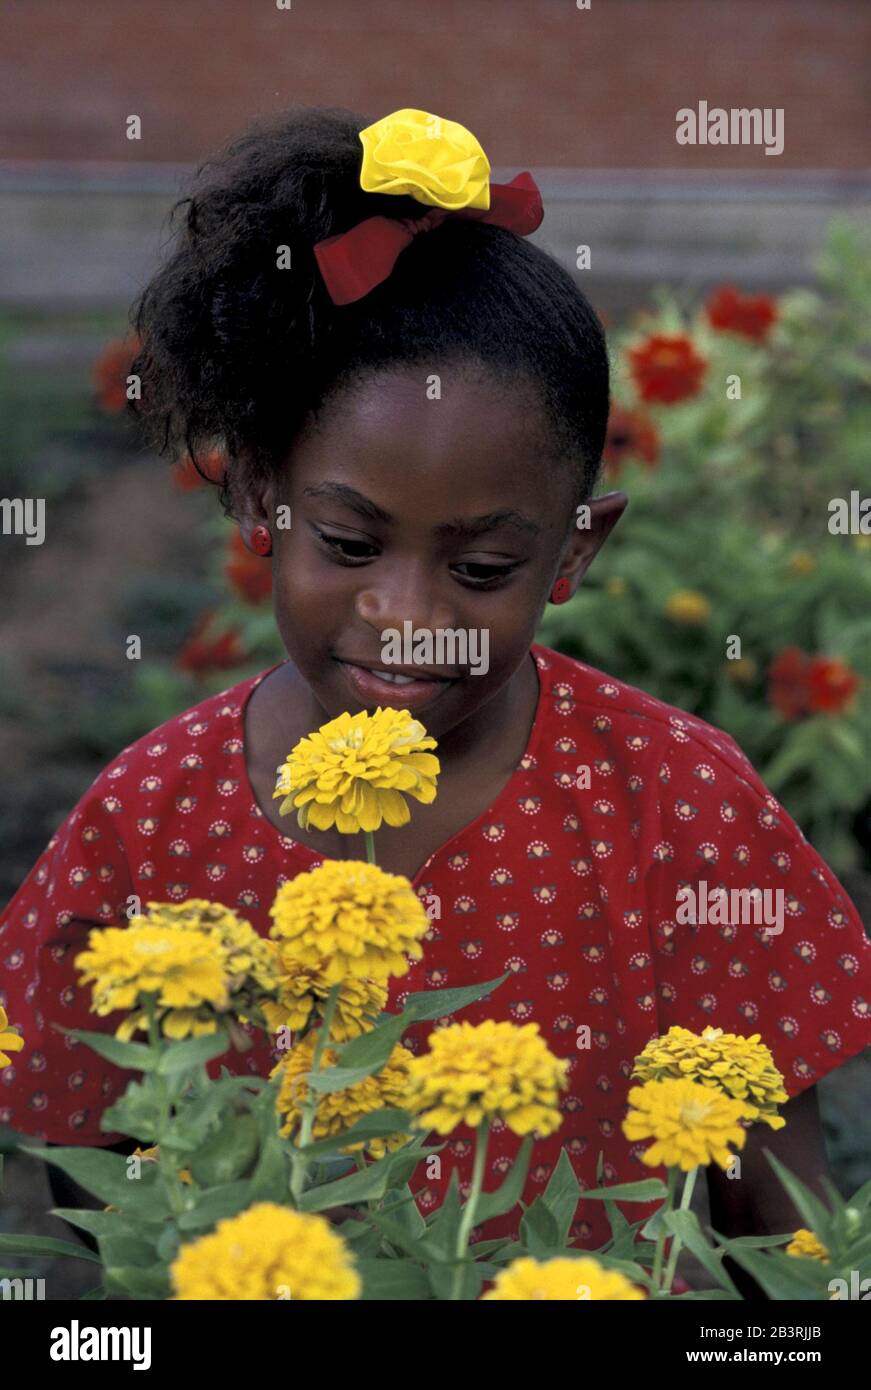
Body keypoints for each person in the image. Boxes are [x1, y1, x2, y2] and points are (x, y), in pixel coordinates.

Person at [2, 107, 869, 1269]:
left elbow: (788, 1229)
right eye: (351, 547)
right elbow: (97, 1220)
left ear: (572, 552)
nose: (407, 617)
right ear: (262, 496)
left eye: (480, 567)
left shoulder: (674, 801)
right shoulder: (150, 825)